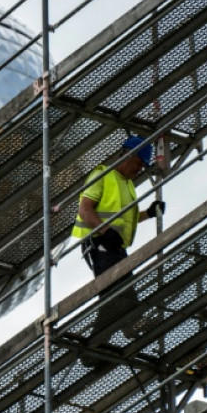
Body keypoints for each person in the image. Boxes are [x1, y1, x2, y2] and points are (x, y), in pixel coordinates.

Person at [71, 136, 166, 349]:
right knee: (114, 289)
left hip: (114, 244)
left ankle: (99, 343)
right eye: (138, 163)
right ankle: (130, 324)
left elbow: (126, 219)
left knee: (120, 288)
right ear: (127, 156)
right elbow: (85, 209)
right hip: (98, 242)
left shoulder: (127, 185)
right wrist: (105, 231)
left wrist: (149, 213)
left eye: (143, 166)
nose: (139, 169)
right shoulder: (103, 175)